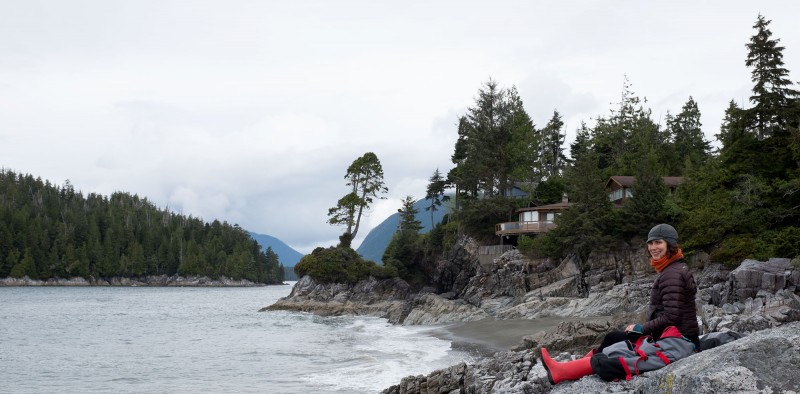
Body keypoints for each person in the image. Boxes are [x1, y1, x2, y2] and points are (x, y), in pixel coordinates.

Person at [539, 223, 699, 384]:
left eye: (658, 242)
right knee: (613, 337)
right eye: (650, 243)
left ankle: (562, 371)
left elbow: (672, 317)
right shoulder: (673, 269)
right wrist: (640, 330)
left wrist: (641, 328)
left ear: (670, 245)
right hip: (671, 334)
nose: (653, 247)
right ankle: (570, 367)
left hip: (678, 339)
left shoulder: (672, 274)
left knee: (616, 349)